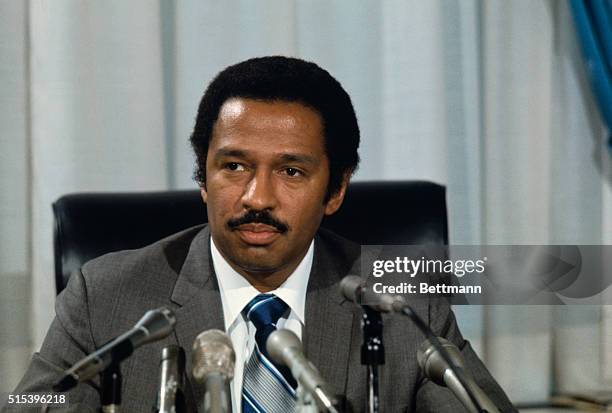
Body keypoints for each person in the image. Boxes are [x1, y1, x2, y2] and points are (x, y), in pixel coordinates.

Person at [3, 56, 516, 413]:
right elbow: (29, 402)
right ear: (203, 178)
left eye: (291, 171)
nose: (256, 198)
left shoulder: (403, 302)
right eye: (233, 166)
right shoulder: (108, 295)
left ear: (335, 190)